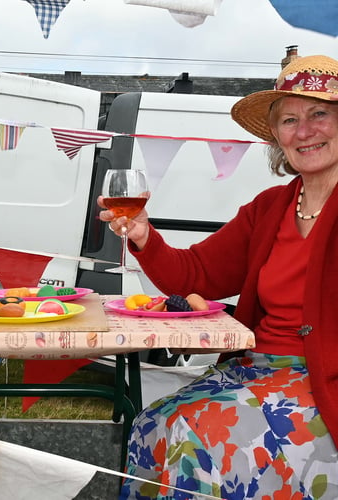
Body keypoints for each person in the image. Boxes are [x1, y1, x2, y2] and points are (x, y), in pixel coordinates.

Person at [99, 55, 338, 499]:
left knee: (198, 432)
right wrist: (145, 236)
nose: (304, 131)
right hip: (258, 368)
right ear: (277, 137)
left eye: (319, 113)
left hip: (325, 383)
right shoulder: (269, 208)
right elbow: (197, 273)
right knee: (153, 423)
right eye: (289, 119)